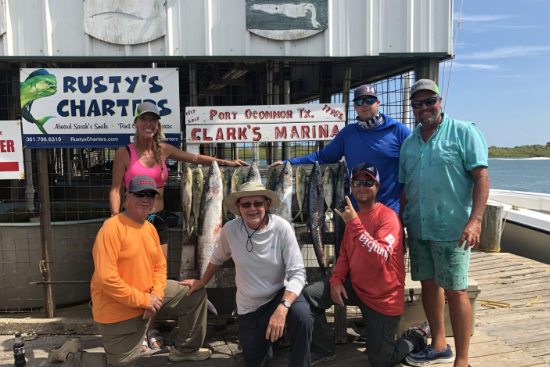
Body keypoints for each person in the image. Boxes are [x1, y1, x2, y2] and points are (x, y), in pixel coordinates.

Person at [109, 101, 248, 350]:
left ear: (157, 124)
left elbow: (194, 157)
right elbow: (116, 189)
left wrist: (226, 164)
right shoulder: (124, 152)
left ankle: (151, 327)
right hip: (131, 223)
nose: (149, 124)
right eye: (144, 119)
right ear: (136, 123)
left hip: (158, 221)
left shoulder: (164, 149)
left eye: (153, 119)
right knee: (132, 277)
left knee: (156, 278)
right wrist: (114, 220)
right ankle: (135, 329)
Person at [48, 175, 211, 366]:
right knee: (121, 365)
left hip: (148, 295)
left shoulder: (150, 228)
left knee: (194, 293)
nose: (146, 199)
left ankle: (185, 350)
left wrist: (156, 297)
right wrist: (143, 300)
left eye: (151, 195)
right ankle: (72, 356)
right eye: (140, 194)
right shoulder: (111, 228)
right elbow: (106, 278)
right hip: (118, 308)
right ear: (127, 196)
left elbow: (160, 266)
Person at [399, 79, 490, 367]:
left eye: (429, 101)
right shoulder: (409, 143)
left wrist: (475, 221)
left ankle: (462, 360)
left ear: (440, 101)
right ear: (412, 108)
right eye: (417, 103)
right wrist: (400, 226)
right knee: (427, 284)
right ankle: (439, 345)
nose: (424, 107)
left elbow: (482, 178)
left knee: (456, 289)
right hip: (418, 228)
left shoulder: (465, 131)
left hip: (453, 230)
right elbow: (404, 187)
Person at [303, 163, 428, 367]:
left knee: (381, 361)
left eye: (368, 182)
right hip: (356, 288)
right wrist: (335, 281)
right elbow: (344, 255)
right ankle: (323, 348)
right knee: (310, 295)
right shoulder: (354, 217)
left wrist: (354, 224)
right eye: (357, 182)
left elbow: (379, 258)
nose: (362, 186)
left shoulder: (388, 217)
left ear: (377, 186)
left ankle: (415, 338)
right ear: (351, 186)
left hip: (383, 299)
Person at [181, 181, 314, 367]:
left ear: (267, 204)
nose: (252, 209)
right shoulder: (230, 229)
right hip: (250, 306)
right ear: (238, 207)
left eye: (258, 203)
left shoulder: (282, 228)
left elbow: (298, 273)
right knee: (255, 361)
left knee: (302, 316)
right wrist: (201, 282)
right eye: (246, 204)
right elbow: (217, 258)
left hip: (279, 295)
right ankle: (271, 339)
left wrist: (283, 308)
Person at [271, 84, 411, 214]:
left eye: (369, 100)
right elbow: (322, 156)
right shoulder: (348, 133)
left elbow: (414, 167)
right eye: (360, 102)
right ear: (355, 106)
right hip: (357, 211)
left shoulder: (399, 131)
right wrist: (287, 162)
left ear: (378, 103)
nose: (365, 105)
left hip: (390, 210)